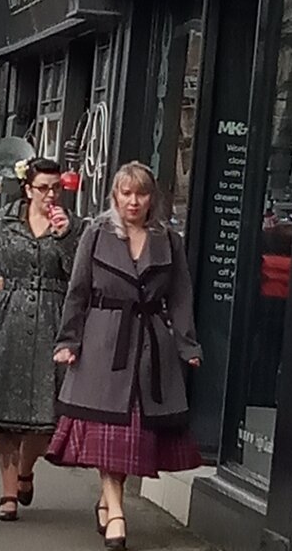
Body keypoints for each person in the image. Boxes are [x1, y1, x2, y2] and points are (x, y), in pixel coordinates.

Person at [47, 162, 202, 551]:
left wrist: (187, 345)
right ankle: (116, 511)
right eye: (126, 193)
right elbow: (78, 291)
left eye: (141, 193)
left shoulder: (168, 239)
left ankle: (108, 500)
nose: (133, 201)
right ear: (115, 195)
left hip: (150, 347)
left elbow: (181, 296)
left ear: (152, 198)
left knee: (132, 437)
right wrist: (68, 341)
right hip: (103, 343)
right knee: (109, 434)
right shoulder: (96, 233)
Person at [0, 156, 82, 522]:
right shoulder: (3, 220)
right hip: (9, 318)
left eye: (57, 188)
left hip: (52, 318)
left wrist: (65, 237)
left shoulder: (72, 226)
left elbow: (79, 275)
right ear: (27, 189)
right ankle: (7, 493)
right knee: (5, 414)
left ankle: (25, 470)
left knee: (44, 412)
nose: (51, 195)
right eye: (43, 188)